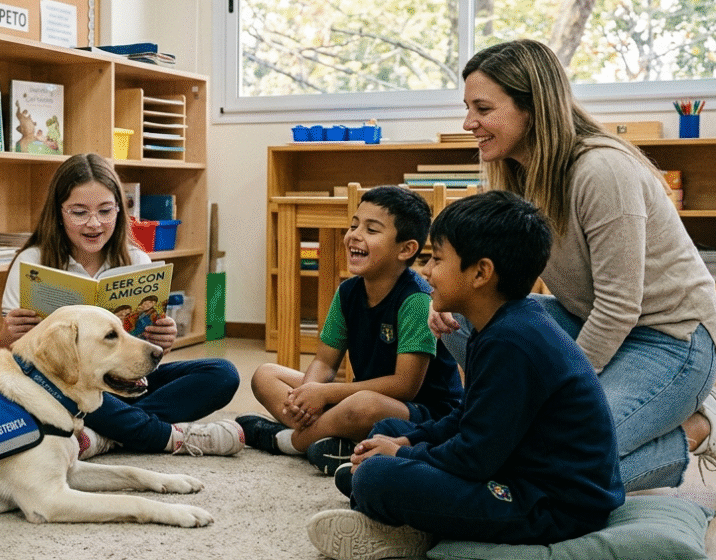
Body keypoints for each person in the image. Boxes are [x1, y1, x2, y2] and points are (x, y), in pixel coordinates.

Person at [431, 39, 716, 492]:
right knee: (460, 316)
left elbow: (620, 306)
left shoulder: (602, 170)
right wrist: (448, 298)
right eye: (468, 108)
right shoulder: (516, 172)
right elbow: (497, 283)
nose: (470, 124)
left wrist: (554, 396)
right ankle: (503, 421)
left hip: (669, 337)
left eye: (483, 108)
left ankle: (696, 429)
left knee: (562, 466)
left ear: (533, 106)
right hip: (588, 318)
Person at [309, 190, 625, 560]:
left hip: (549, 505)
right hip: (516, 469)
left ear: (481, 273)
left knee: (377, 478)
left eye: (437, 259)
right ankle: (397, 502)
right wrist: (407, 445)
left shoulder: (512, 342)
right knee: (390, 433)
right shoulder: (500, 325)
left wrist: (404, 458)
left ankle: (404, 522)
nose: (426, 271)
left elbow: (475, 457)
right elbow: (467, 417)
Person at [0, 153, 243, 458]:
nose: (93, 223)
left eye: (105, 211)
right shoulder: (32, 261)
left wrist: (160, 341)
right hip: (66, 385)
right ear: (59, 212)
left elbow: (140, 352)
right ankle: (160, 435)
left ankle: (107, 435)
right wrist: (6, 336)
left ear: (119, 210)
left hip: (121, 383)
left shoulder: (135, 260)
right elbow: (12, 358)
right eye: (78, 212)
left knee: (222, 373)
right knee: (68, 393)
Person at [237, 186, 462, 475]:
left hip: (419, 412)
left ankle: (288, 441)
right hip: (358, 396)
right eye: (354, 225)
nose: (354, 235)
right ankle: (329, 436)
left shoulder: (417, 300)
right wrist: (309, 393)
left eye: (372, 229)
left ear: (406, 249)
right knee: (266, 374)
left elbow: (405, 385)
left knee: (362, 406)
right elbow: (324, 361)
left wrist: (325, 393)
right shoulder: (347, 292)